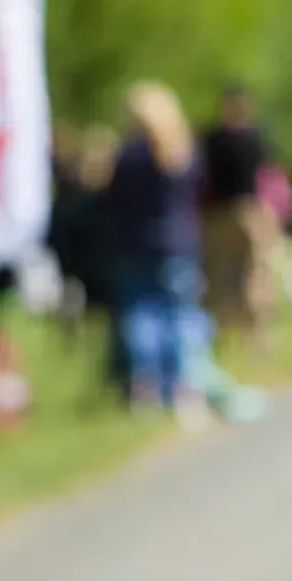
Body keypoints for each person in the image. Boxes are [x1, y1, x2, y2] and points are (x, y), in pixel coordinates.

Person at [105, 81, 206, 414]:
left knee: (141, 317)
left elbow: (114, 201)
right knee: (180, 316)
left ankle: (146, 387)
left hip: (136, 245)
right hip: (178, 245)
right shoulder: (184, 152)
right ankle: (183, 385)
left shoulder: (130, 156)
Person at [200, 84, 278, 343]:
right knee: (253, 272)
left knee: (224, 273)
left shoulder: (213, 138)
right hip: (244, 210)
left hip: (221, 213)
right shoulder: (252, 136)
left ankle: (224, 331)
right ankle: (252, 335)